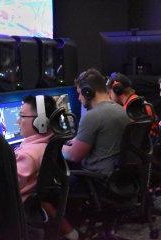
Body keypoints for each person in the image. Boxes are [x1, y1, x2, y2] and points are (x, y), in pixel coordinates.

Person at [15, 95, 78, 240]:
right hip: (34, 204)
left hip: (19, 207)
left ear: (40, 122)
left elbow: (7, 188)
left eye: (22, 116)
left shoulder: (28, 155)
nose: (18, 121)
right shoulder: (51, 142)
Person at [62, 68, 130, 176]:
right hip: (119, 178)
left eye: (80, 93)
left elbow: (74, 156)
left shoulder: (92, 116)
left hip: (97, 180)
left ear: (87, 92)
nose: (79, 98)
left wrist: (58, 147)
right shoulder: (122, 110)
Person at [106, 72, 159, 138]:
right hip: (148, 144)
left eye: (109, 92)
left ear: (117, 90)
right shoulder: (139, 101)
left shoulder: (128, 110)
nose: (109, 96)